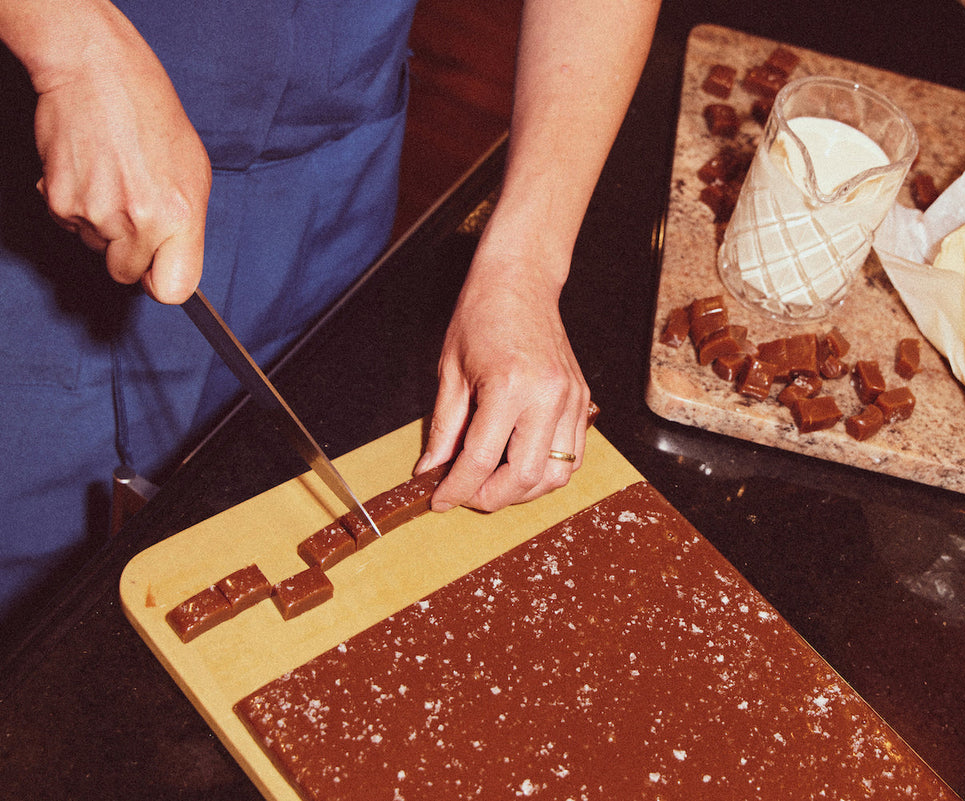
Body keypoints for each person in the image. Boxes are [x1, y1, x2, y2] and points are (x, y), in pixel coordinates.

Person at [0, 0, 660, 628]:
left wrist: (526, 263)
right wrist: (71, 44)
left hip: (331, 193)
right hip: (45, 184)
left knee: (257, 519)